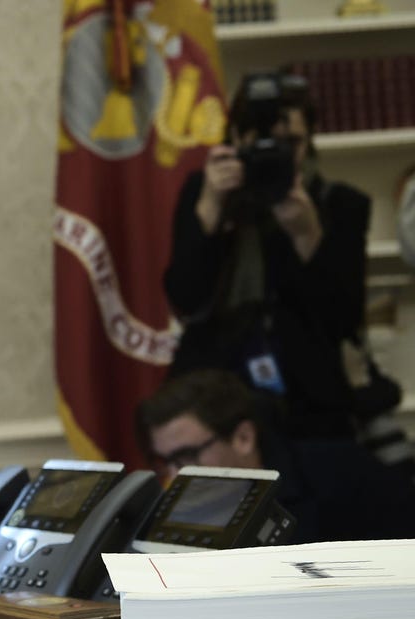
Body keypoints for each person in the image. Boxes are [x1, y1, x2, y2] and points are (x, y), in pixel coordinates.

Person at [163, 70, 386, 441]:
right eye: (261, 141)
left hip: (309, 408)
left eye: (290, 143)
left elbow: (343, 321)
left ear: (310, 142)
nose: (274, 154)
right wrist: (209, 213)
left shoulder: (341, 204)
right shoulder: (203, 193)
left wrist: (308, 235)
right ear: (235, 139)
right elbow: (184, 299)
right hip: (215, 404)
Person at [136, 369, 415, 545]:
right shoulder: (180, 511)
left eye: (187, 456)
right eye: (164, 462)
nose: (175, 476)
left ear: (243, 438)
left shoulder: (343, 473)